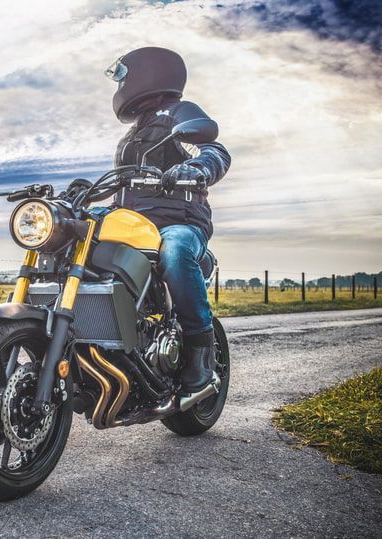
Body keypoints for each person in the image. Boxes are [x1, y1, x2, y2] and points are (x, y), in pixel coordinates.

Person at [105, 46, 232, 394]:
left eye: (123, 75)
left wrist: (196, 168)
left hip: (178, 222)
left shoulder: (180, 113)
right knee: (74, 236)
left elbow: (212, 150)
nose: (120, 83)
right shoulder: (135, 131)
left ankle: (199, 352)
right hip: (133, 225)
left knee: (174, 252)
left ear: (148, 71)